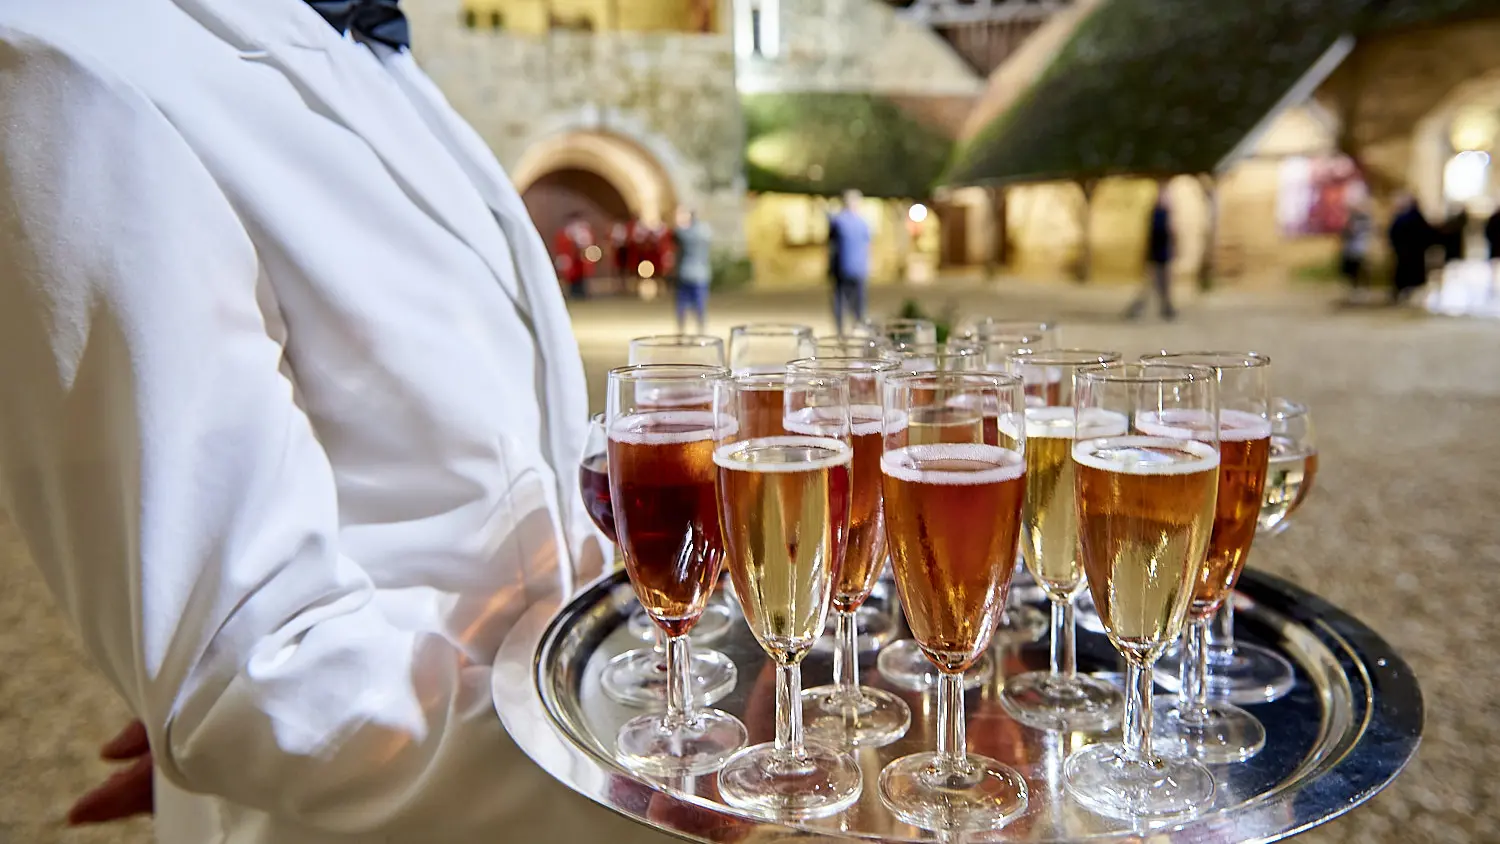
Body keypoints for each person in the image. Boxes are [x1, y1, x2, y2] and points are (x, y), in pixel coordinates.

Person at [0, 3, 670, 843]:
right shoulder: (76, 70)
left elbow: (495, 449)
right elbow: (258, 683)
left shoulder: (367, 55)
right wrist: (682, 781)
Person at [1126, 184, 1177, 320]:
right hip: (1157, 253)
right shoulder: (1158, 214)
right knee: (1152, 284)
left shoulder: (1164, 213)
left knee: (1160, 284)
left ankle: (1164, 308)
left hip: (1162, 253)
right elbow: (1156, 234)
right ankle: (1142, 308)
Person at [827, 190, 872, 334]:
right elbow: (868, 244)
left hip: (842, 268)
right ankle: (858, 330)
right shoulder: (863, 222)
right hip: (859, 268)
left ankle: (840, 332)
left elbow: (830, 245)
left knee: (840, 301)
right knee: (858, 303)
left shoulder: (837, 220)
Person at [671, 208, 713, 334]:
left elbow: (674, 234)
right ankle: (701, 328)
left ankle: (681, 329)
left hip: (685, 272)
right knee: (700, 304)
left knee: (681, 304)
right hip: (702, 273)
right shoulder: (706, 233)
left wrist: (679, 219)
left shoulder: (685, 233)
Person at [1389, 195, 1435, 303]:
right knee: (1412, 274)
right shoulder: (1417, 218)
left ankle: (1405, 292)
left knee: (1406, 274)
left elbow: (1393, 233)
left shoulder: (1403, 218)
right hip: (1414, 252)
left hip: (1406, 251)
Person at [553, 211, 596, 300]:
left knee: (582, 275)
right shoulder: (567, 231)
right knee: (571, 276)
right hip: (571, 256)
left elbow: (586, 242)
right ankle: (573, 292)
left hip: (581, 256)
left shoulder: (583, 230)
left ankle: (582, 292)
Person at [1339, 197, 1374, 291]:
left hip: (1360, 248)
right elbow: (1345, 234)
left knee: (1362, 269)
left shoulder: (1364, 219)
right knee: (1352, 270)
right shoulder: (1351, 218)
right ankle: (1355, 288)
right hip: (1351, 249)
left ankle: (1364, 288)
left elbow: (1362, 231)